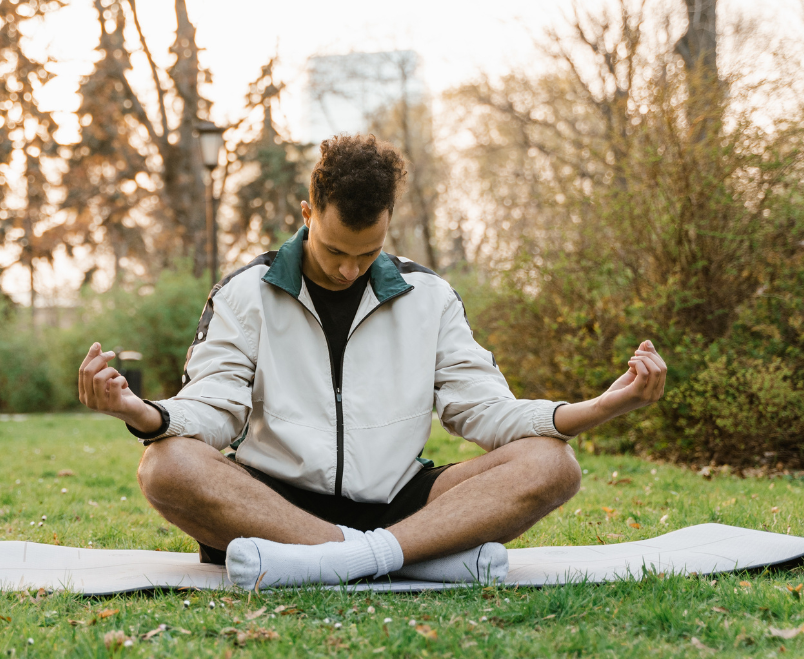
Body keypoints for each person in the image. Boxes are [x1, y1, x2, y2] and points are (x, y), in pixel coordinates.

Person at [77, 133, 668, 589]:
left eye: (368, 252)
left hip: (402, 503)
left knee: (553, 463)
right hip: (275, 504)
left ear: (388, 225)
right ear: (308, 213)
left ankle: (345, 561)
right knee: (166, 466)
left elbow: (486, 410)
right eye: (335, 249)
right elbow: (215, 407)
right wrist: (144, 414)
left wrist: (597, 408)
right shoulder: (245, 293)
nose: (348, 270)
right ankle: (400, 561)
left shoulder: (429, 297)